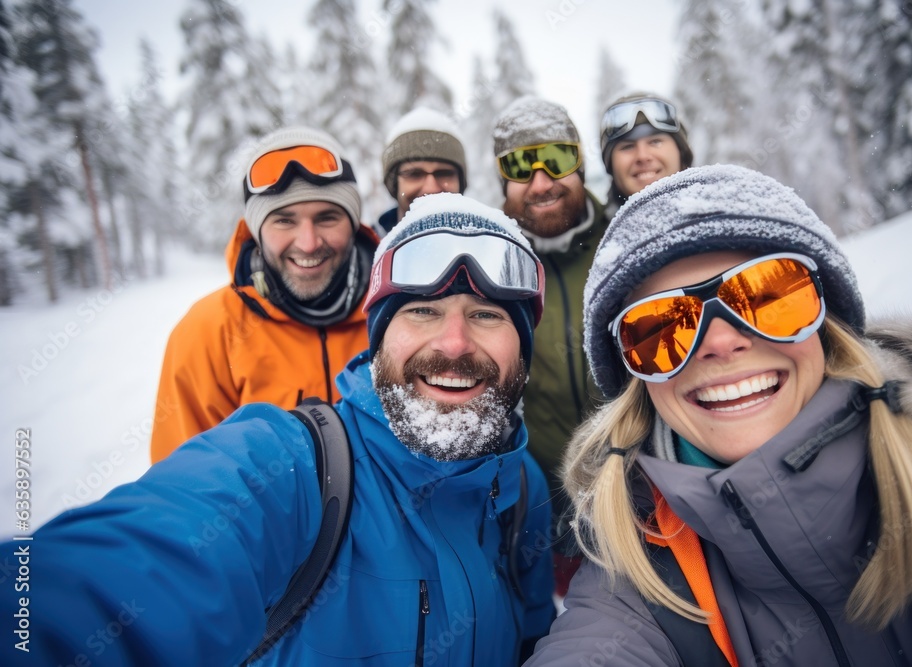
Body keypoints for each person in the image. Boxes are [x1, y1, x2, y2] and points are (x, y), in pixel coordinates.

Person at [3, 194, 555, 666]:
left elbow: (533, 641)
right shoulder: (293, 468)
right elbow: (119, 575)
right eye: (422, 313)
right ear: (379, 340)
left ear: (523, 352)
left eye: (487, 315)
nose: (454, 344)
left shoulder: (522, 487)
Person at [526, 164, 912, 665]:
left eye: (766, 296)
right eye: (662, 328)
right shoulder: (636, 580)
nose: (721, 341)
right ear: (637, 381)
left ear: (827, 320)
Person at [150, 126, 379, 462]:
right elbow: (184, 490)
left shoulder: (393, 314)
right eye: (284, 221)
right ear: (256, 233)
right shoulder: (209, 333)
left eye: (327, 217)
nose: (308, 242)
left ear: (354, 224)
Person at [492, 96, 611, 594]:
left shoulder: (627, 240)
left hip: (653, 506)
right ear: (504, 184)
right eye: (521, 166)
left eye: (558, 159)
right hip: (545, 529)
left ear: (580, 165)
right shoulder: (492, 268)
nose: (541, 182)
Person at [375, 107, 467, 237]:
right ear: (394, 185)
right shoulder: (364, 252)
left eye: (444, 173)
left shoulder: (494, 248)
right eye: (414, 174)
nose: (430, 188)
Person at [600, 92, 694, 217]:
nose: (642, 156)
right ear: (610, 165)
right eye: (627, 147)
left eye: (655, 142)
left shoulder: (722, 216)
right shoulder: (598, 235)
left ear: (681, 152)